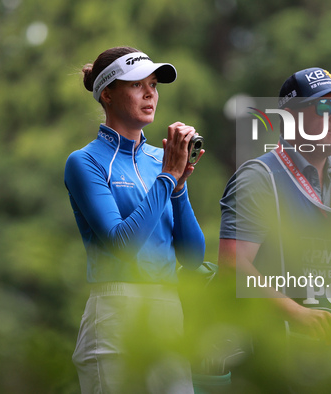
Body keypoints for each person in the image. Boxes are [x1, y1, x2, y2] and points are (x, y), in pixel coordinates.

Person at [219, 67, 331, 348]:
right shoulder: (259, 176)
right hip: (278, 352)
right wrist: (297, 313)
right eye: (324, 106)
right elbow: (232, 264)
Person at [64, 46, 205, 393]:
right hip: (113, 313)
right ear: (107, 94)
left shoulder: (163, 159)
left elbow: (192, 255)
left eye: (153, 85)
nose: (149, 94)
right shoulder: (84, 162)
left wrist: (178, 186)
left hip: (168, 311)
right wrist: (168, 177)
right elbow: (121, 243)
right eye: (136, 85)